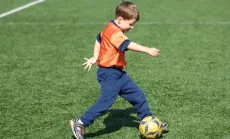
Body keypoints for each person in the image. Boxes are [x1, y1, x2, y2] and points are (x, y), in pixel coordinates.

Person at [70, 1, 168, 139]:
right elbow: (127, 44)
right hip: (109, 73)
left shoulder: (110, 27)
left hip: (119, 74)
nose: (132, 27)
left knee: (138, 95)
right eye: (130, 24)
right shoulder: (114, 32)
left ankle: (150, 122)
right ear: (120, 19)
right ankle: (80, 123)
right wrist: (147, 50)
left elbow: (99, 38)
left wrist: (95, 56)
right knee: (106, 101)